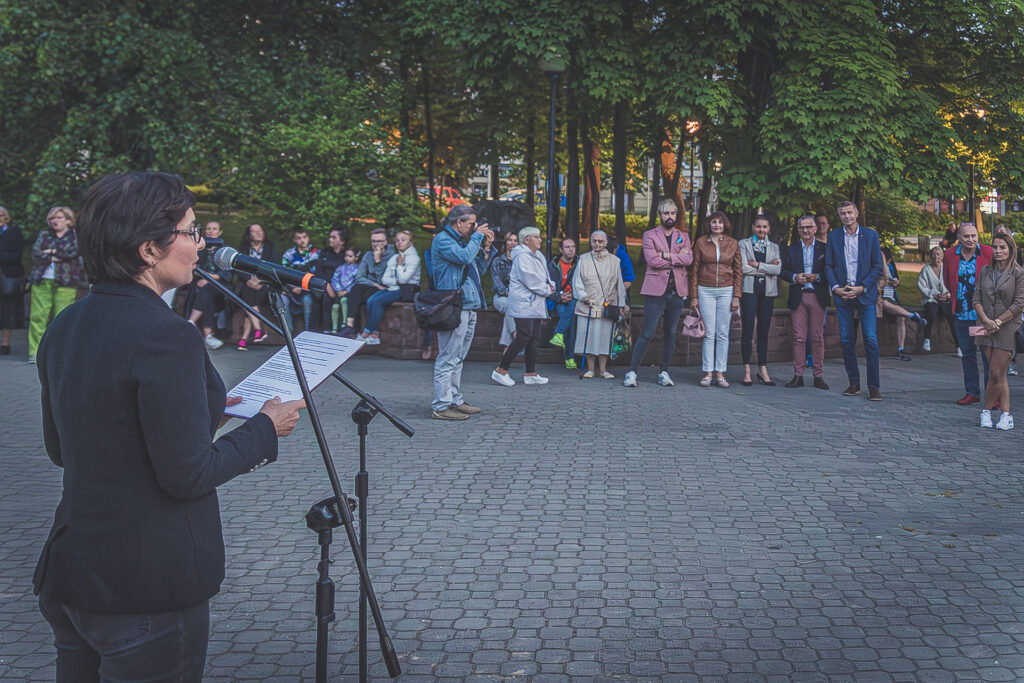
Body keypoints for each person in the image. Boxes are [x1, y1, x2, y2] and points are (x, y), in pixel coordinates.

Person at [34, 171, 306, 682]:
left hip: (74, 573)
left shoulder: (66, 324)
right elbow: (186, 474)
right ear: (148, 249)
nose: (201, 245)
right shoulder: (168, 335)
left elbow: (65, 445)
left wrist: (206, 408)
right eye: (191, 231)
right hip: (145, 587)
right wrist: (266, 427)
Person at [429, 205, 495, 420]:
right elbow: (465, 258)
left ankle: (454, 400)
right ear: (459, 222)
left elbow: (478, 269)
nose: (474, 227)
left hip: (468, 304)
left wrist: (486, 247)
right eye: (471, 224)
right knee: (448, 356)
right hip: (452, 306)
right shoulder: (443, 240)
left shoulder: (460, 242)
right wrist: (476, 238)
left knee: (458, 357)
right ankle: (441, 405)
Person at [623, 199, 692, 388]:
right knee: (647, 333)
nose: (669, 217)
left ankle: (664, 371)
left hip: (677, 292)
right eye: (665, 213)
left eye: (672, 213)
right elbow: (652, 261)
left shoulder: (683, 236)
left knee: (670, 333)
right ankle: (632, 372)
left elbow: (689, 258)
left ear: (676, 215)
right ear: (660, 215)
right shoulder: (649, 235)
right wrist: (677, 258)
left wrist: (667, 255)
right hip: (655, 291)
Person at [825, 201, 884, 400]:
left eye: (850, 212)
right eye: (843, 214)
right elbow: (829, 266)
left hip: (865, 293)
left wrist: (862, 287)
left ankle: (874, 386)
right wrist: (836, 288)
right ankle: (854, 383)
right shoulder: (834, 236)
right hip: (843, 293)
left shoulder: (870, 235)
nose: (847, 216)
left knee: (870, 338)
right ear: (839, 216)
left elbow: (877, 267)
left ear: (856, 213)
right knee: (846, 339)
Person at [973, 231, 1024, 430]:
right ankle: (1005, 415)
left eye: (1003, 247)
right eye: (995, 247)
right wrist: (986, 319)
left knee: (995, 373)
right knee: (998, 374)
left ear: (1011, 249)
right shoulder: (985, 271)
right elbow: (976, 298)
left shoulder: (1018, 273)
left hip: (1007, 327)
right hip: (985, 325)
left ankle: (986, 410)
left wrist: (998, 322)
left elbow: (1019, 304)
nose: (998, 251)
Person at [492, 226, 554, 386]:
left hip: (535, 303)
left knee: (533, 337)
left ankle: (530, 373)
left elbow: (545, 276)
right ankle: (501, 370)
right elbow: (530, 280)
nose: (540, 239)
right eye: (537, 237)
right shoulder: (521, 256)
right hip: (523, 303)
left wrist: (550, 285)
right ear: (527, 240)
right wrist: (548, 290)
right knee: (524, 336)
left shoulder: (538, 255)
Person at [690, 211, 742, 388]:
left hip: (727, 290)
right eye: (714, 222)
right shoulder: (701, 242)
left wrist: (736, 296)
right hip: (705, 290)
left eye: (720, 222)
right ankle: (708, 373)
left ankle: (720, 373)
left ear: (724, 224)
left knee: (722, 333)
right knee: (709, 332)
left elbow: (738, 272)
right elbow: (694, 270)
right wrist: (694, 296)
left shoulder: (733, 243)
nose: (717, 225)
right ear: (709, 224)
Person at [28, 206, 86, 363]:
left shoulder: (74, 236)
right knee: (38, 316)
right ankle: (35, 352)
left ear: (68, 220)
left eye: (59, 217)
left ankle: (59, 353)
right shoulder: (44, 234)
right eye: (52, 218)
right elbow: (35, 252)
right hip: (42, 279)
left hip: (65, 281)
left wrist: (50, 252)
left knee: (62, 317)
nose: (55, 220)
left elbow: (72, 252)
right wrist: (57, 255)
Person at [943, 222, 993, 405]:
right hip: (962, 315)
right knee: (968, 353)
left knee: (987, 354)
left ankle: (992, 394)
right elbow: (948, 280)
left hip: (981, 316)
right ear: (959, 238)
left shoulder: (987, 252)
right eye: (966, 236)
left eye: (973, 236)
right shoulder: (950, 254)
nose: (971, 240)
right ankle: (972, 392)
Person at [780, 214, 830, 389]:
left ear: (815, 228)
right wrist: (795, 277)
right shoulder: (791, 249)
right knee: (799, 337)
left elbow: (832, 271)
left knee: (817, 337)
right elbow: (783, 271)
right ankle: (798, 375)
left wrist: (818, 277)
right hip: (798, 295)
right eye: (802, 228)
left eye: (809, 227)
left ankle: (818, 375)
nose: (806, 230)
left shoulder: (825, 248)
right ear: (798, 230)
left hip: (818, 295)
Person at [573, 230, 628, 379]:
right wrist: (584, 297)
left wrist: (621, 304)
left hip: (607, 305)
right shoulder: (583, 259)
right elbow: (577, 281)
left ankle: (603, 370)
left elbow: (619, 285)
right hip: (588, 305)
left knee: (605, 337)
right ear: (590, 242)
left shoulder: (615, 261)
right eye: (594, 241)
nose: (597, 244)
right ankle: (590, 369)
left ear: (605, 243)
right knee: (589, 337)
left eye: (600, 241)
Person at [738, 214, 781, 385]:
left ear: (769, 228)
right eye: (758, 227)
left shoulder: (774, 247)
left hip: (768, 293)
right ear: (753, 228)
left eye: (764, 227)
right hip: (749, 291)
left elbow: (778, 270)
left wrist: (756, 265)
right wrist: (767, 268)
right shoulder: (744, 244)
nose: (761, 230)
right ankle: (747, 369)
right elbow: (743, 268)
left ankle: (762, 369)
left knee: (763, 332)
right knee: (747, 331)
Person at [361, 230, 420, 344]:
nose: (399, 243)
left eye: (403, 240)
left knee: (378, 301)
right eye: (397, 240)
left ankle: (367, 332)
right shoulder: (394, 257)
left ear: (410, 243)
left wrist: (398, 266)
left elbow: (404, 280)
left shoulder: (414, 259)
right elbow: (384, 279)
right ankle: (374, 333)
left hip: (407, 290)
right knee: (370, 300)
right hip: (395, 288)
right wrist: (396, 281)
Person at [185, 221, 231, 349]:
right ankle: (208, 335)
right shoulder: (199, 248)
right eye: (208, 228)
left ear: (220, 232)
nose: (211, 231)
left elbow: (226, 273)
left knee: (208, 288)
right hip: (201, 284)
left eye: (214, 229)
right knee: (206, 293)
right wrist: (206, 279)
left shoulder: (224, 250)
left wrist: (208, 278)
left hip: (222, 287)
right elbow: (194, 268)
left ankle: (191, 322)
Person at [342, 228, 394, 335]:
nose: (375, 244)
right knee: (356, 289)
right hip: (369, 286)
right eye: (373, 241)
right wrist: (375, 284)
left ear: (386, 242)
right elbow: (359, 277)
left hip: (385, 288)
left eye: (379, 241)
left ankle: (358, 331)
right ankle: (349, 325)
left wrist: (378, 261)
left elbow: (382, 279)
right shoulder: (368, 255)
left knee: (361, 295)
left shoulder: (392, 256)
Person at [879, 246, 926, 360]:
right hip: (882, 296)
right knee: (884, 304)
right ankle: (912, 315)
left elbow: (896, 279)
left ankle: (901, 348)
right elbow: (879, 282)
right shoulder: (877, 267)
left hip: (892, 297)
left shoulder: (890, 266)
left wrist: (896, 282)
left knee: (901, 318)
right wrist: (889, 281)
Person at [235, 223, 277, 350]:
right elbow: (237, 266)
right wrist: (248, 279)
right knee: (247, 290)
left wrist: (259, 280)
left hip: (264, 285)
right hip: (247, 284)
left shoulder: (270, 247)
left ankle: (245, 338)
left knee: (248, 301)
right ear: (249, 234)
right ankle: (257, 330)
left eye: (260, 231)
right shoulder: (244, 247)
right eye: (254, 231)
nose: (258, 233)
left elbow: (273, 266)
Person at [917, 245, 958, 354]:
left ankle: (959, 346)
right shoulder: (926, 269)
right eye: (934, 254)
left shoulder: (946, 268)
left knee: (951, 316)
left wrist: (947, 295)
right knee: (931, 311)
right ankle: (927, 339)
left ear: (942, 256)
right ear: (931, 256)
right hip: (931, 298)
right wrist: (934, 294)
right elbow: (922, 286)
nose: (936, 257)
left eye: (938, 254)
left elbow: (952, 284)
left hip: (945, 298)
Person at [547, 238, 579, 369]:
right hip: (559, 301)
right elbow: (548, 288)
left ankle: (559, 334)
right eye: (567, 247)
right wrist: (560, 296)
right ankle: (569, 357)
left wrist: (573, 295)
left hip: (575, 299)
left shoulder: (579, 263)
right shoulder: (553, 265)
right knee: (567, 317)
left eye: (573, 247)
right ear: (561, 250)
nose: (571, 249)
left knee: (570, 310)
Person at [280, 227, 320, 331]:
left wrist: (302, 287)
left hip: (308, 289)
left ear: (308, 238)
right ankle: (288, 333)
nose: (302, 240)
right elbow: (284, 273)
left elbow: (316, 274)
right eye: (298, 238)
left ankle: (309, 331)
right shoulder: (289, 254)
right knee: (282, 300)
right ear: (294, 240)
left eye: (304, 237)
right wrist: (292, 287)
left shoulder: (315, 253)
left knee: (307, 300)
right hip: (291, 288)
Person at [313, 226, 349, 332]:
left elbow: (347, 274)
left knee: (333, 299)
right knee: (322, 298)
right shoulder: (324, 253)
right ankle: (319, 330)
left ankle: (334, 330)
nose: (330, 240)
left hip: (341, 287)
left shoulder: (347, 256)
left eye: (334, 237)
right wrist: (327, 284)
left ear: (342, 241)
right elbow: (318, 272)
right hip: (324, 286)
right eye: (330, 237)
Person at [0, 206, 25, 355]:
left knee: (7, 310)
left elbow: (16, 255)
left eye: (1, 215)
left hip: (7, 277)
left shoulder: (13, 233)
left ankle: (5, 344)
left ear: (6, 217)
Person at [490, 231, 518, 349]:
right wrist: (508, 294)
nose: (512, 243)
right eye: (510, 240)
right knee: (509, 305)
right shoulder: (498, 261)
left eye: (515, 240)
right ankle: (516, 335)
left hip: (518, 297)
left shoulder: (521, 261)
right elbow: (497, 284)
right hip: (501, 296)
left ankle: (507, 347)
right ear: (505, 242)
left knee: (511, 309)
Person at [328, 248, 359, 334]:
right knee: (335, 307)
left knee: (344, 300)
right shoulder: (341, 268)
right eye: (346, 256)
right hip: (340, 292)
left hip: (349, 293)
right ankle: (334, 329)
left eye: (350, 256)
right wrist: (338, 290)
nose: (347, 258)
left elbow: (357, 282)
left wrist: (347, 291)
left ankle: (345, 324)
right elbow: (335, 279)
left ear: (356, 258)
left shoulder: (358, 269)